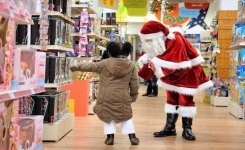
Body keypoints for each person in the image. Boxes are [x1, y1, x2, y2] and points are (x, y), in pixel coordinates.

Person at [138, 21, 213, 141]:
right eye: (145, 40)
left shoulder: (176, 39)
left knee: (185, 101)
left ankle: (187, 129)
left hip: (187, 73)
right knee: (171, 99)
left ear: (156, 36)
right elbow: (154, 57)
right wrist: (148, 63)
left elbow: (174, 62)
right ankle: (170, 128)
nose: (147, 43)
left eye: (148, 39)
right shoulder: (159, 42)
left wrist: (155, 65)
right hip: (171, 75)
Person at [70, 41, 140, 145]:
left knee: (108, 116)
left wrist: (75, 67)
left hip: (106, 96)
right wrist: (133, 96)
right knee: (126, 116)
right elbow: (135, 82)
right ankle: (132, 137)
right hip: (123, 96)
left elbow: (90, 66)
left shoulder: (105, 63)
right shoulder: (131, 65)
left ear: (110, 51)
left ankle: (110, 138)